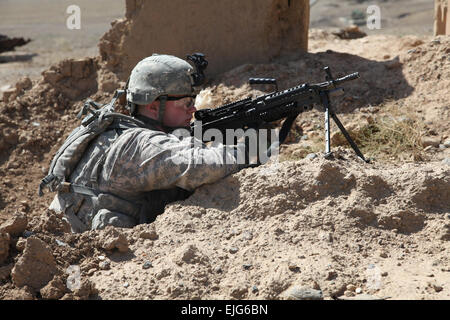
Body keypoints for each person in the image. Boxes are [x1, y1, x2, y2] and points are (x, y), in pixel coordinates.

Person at [48, 54, 251, 233]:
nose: (193, 110)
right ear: (154, 107)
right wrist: (247, 149)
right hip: (86, 259)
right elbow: (204, 167)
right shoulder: (139, 145)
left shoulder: (112, 129)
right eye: (187, 103)